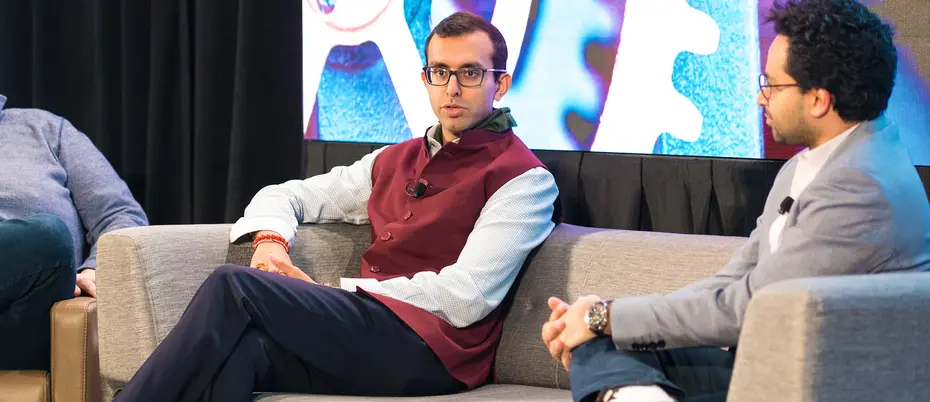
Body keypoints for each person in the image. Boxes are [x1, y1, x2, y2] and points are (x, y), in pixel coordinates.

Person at [114, 11, 559, 402]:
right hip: (363, 332)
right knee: (241, 354)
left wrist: (337, 290)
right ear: (425, 79)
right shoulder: (394, 159)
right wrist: (270, 242)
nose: (452, 88)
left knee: (235, 285)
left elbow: (468, 296)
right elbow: (287, 194)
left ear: (499, 82)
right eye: (440, 72)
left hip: (432, 353)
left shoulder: (524, 179)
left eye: (470, 73)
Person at [541, 1, 930, 401]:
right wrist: (605, 316)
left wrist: (604, 316)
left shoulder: (859, 186)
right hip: (768, 364)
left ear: (819, 100)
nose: (760, 98)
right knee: (601, 343)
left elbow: (751, 307)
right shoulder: (811, 164)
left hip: (819, 384)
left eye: (772, 85)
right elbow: (732, 281)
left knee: (604, 337)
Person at [0, 95, 149, 370]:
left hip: (25, 322)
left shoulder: (45, 130)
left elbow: (122, 215)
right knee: (48, 239)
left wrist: (94, 268)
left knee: (48, 240)